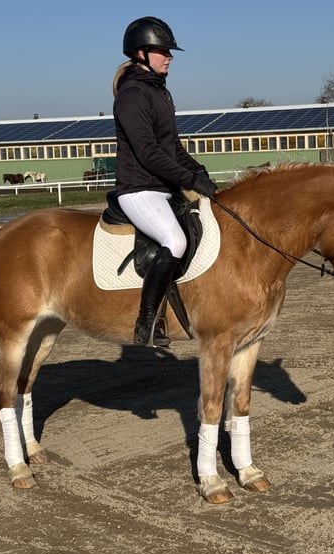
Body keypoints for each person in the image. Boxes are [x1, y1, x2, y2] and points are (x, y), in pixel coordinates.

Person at [112, 16, 218, 347]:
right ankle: (147, 321)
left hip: (161, 187)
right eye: (162, 51)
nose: (169, 56)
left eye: (169, 51)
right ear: (141, 53)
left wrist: (199, 172)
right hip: (138, 188)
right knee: (176, 241)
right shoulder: (131, 96)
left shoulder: (160, 93)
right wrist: (188, 179)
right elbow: (148, 154)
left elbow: (172, 148)